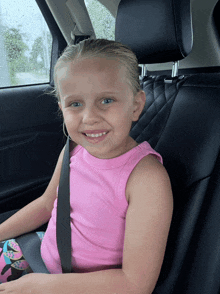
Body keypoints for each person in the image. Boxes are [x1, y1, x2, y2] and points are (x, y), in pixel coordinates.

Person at [0, 39, 173, 293]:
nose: (89, 118)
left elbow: (136, 284)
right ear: (62, 109)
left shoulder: (146, 178)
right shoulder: (73, 149)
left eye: (106, 101)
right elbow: (47, 205)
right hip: (40, 256)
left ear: (136, 105)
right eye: (75, 104)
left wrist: (44, 286)